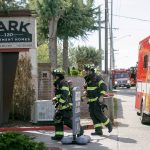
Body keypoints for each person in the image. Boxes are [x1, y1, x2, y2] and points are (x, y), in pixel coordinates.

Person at [51, 68, 84, 140]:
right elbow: (60, 94)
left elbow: (65, 94)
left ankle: (80, 131)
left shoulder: (62, 83)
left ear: (58, 76)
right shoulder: (59, 83)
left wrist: (60, 102)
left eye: (54, 75)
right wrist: (56, 99)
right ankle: (59, 136)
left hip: (66, 106)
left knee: (67, 121)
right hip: (61, 106)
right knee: (57, 119)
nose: (53, 77)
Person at [83, 64, 113, 136]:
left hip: (96, 100)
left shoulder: (97, 78)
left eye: (87, 70)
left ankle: (109, 124)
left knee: (98, 114)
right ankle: (98, 130)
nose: (86, 72)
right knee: (93, 116)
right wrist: (85, 93)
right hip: (91, 101)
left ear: (91, 70)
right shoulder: (87, 79)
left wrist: (101, 96)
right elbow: (88, 90)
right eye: (86, 70)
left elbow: (103, 86)